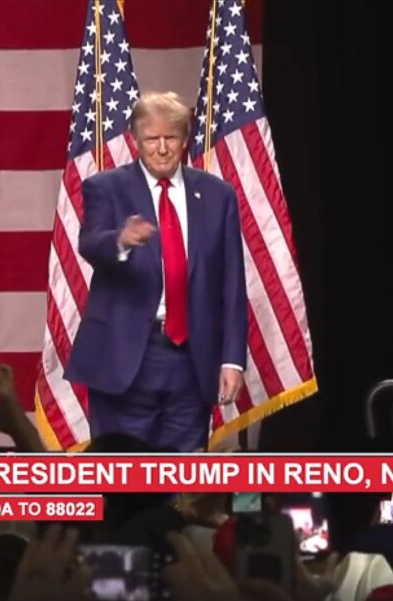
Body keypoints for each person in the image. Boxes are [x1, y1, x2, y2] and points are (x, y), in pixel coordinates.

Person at [64, 91, 248, 452]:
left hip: (192, 363)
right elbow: (90, 244)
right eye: (152, 139)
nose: (162, 148)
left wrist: (231, 360)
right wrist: (121, 240)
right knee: (123, 484)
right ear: (136, 140)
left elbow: (231, 284)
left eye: (171, 138)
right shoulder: (106, 188)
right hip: (127, 359)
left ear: (184, 140)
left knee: (180, 489)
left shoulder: (217, 195)